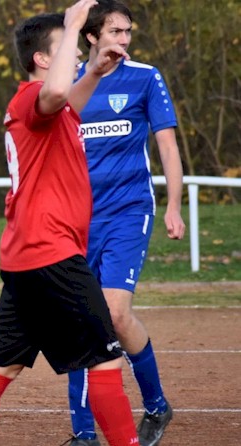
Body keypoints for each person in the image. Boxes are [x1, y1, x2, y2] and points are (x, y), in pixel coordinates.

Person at [0, 1, 141, 445]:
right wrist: (74, 23)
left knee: (3, 364)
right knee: (106, 359)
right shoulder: (32, 98)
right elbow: (54, 95)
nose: (75, 53)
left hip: (27, 257)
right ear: (41, 59)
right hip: (51, 253)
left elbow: (65, 100)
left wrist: (93, 70)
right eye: (66, 47)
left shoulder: (44, 107)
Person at [66, 1, 185, 445]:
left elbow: (168, 147)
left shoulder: (145, 76)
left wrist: (174, 205)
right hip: (76, 219)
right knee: (81, 319)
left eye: (127, 32)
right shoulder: (69, 80)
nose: (124, 39)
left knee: (114, 313)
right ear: (92, 36)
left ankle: (155, 406)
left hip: (129, 210)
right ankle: (83, 435)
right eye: (115, 31)